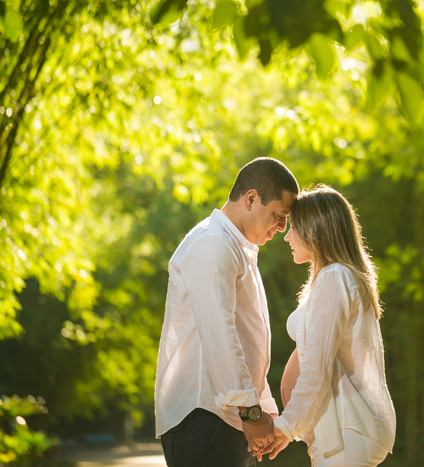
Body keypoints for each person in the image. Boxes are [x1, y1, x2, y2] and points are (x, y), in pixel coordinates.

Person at [154, 157, 299, 467]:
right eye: (278, 215)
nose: (283, 227)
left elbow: (247, 340)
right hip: (205, 418)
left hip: (226, 416)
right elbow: (220, 333)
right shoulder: (212, 244)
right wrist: (250, 411)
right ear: (251, 199)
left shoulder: (237, 247)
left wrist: (264, 408)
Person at [262, 185, 397, 466]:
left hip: (345, 430)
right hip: (339, 431)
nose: (287, 236)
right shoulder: (335, 277)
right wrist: (294, 427)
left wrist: (284, 427)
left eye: (295, 227)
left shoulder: (334, 277)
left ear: (316, 228)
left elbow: (317, 370)